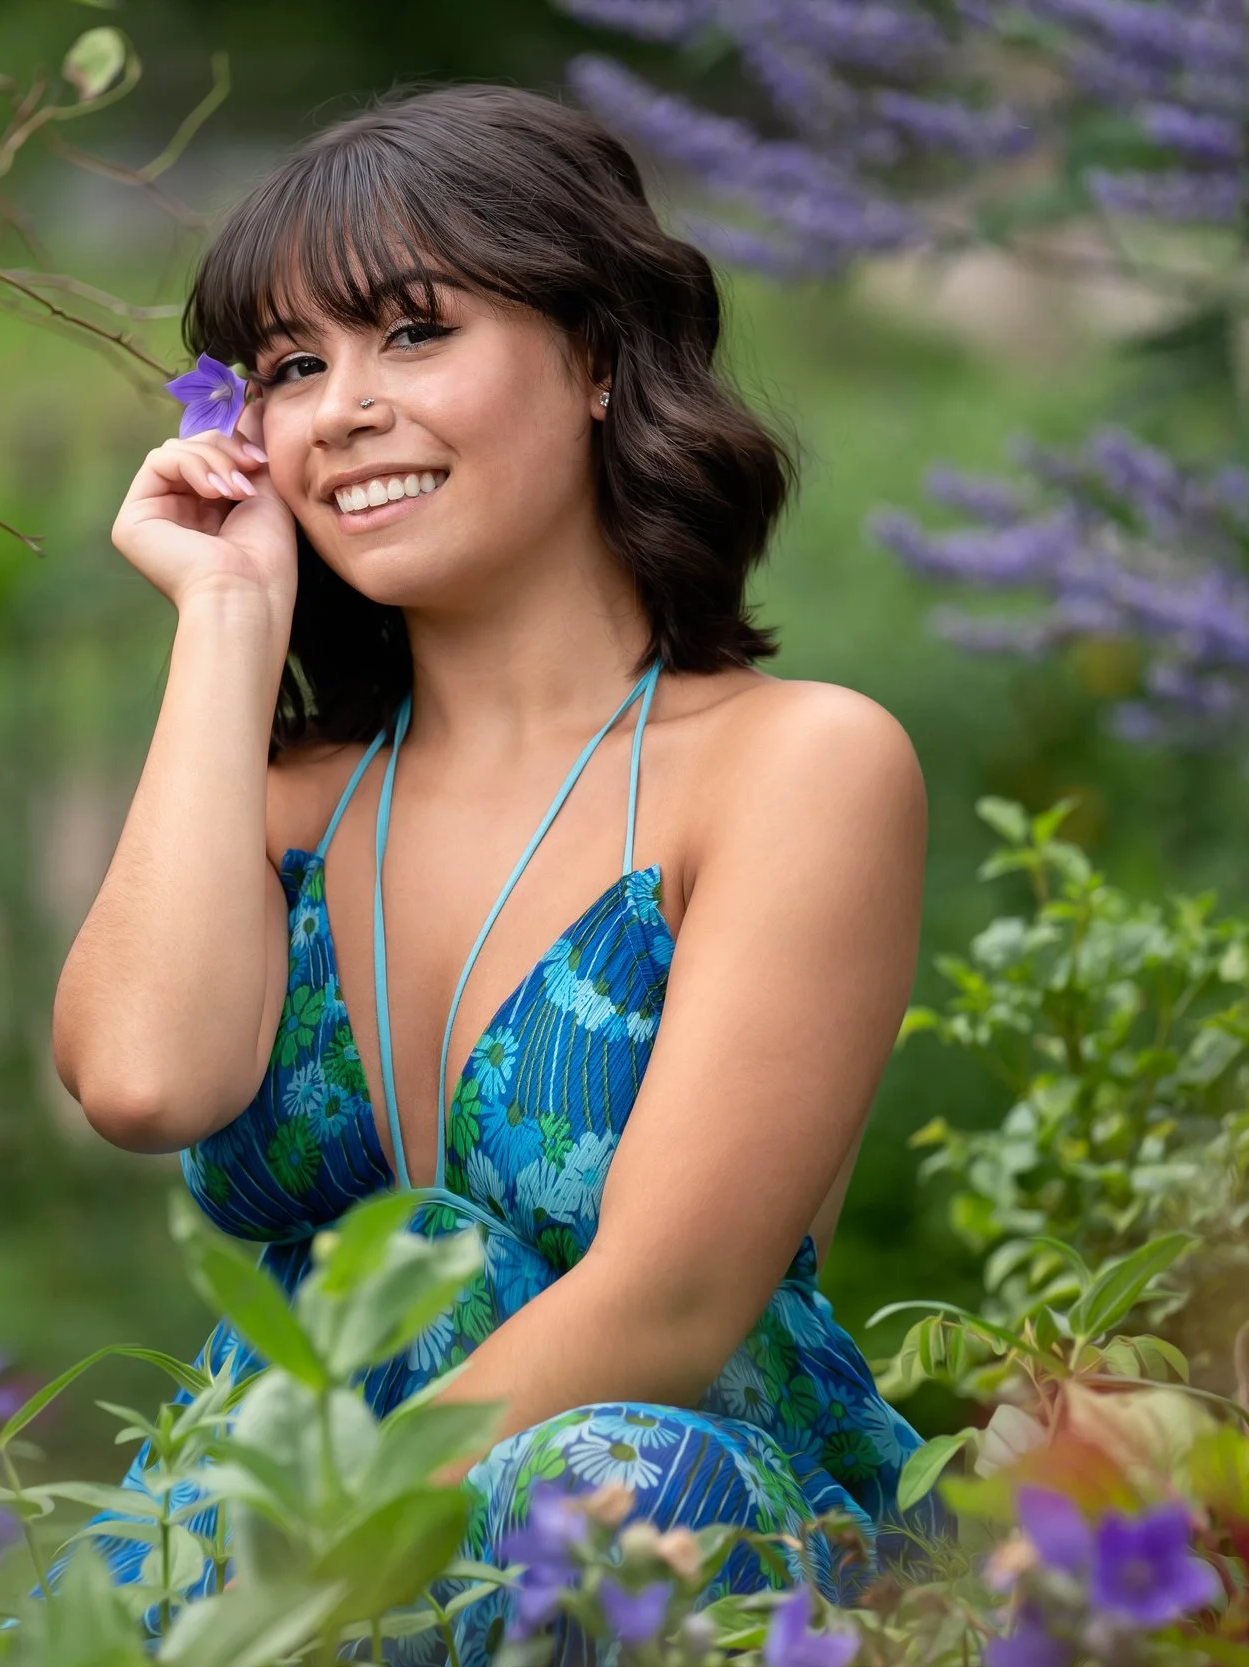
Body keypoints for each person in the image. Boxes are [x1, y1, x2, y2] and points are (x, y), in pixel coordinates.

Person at [52, 83, 932, 1660]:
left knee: (602, 1492)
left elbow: (664, 1304)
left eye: (411, 331)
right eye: (289, 370)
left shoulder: (794, 766)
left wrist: (319, 1543)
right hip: (274, 1510)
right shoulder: (281, 803)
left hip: (629, 1506)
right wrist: (227, 626)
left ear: (595, 356)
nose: (342, 410)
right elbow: (138, 1081)